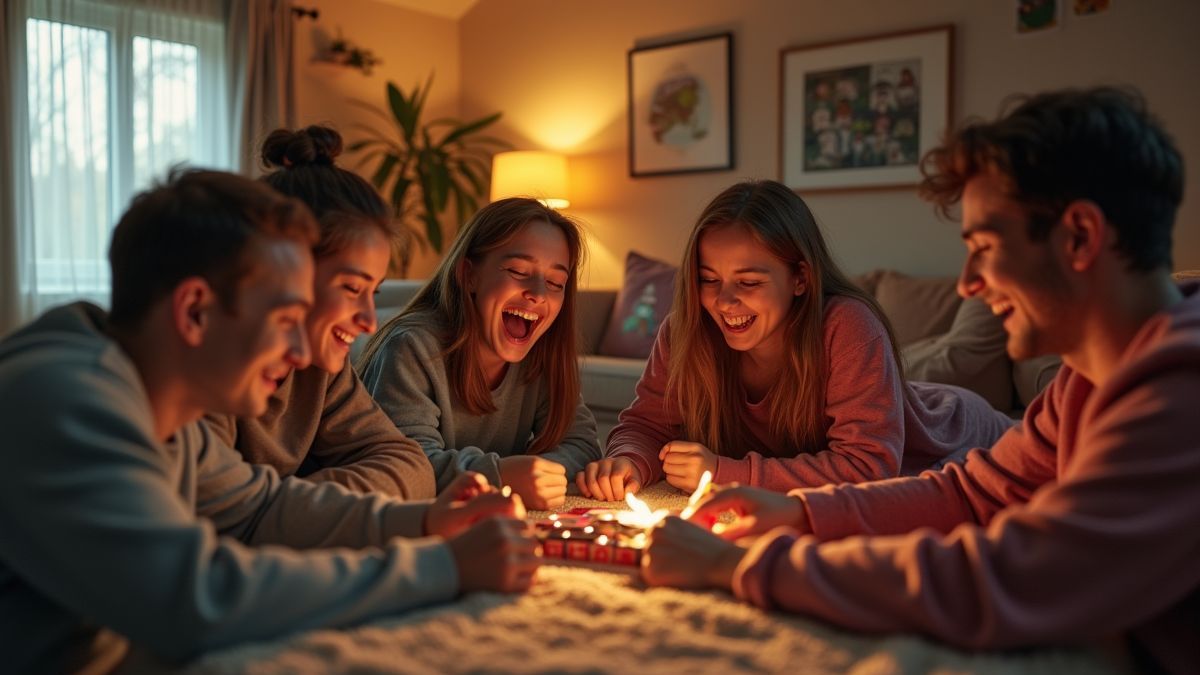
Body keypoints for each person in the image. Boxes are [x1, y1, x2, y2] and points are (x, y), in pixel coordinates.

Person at [641, 87, 1198, 673]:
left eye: (985, 247)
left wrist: (735, 567)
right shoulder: (1083, 382)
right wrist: (802, 514)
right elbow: (971, 494)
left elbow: (1009, 580)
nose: (967, 284)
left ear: (1080, 236)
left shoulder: (1179, 394)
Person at [0, 170, 539, 673]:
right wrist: (442, 568)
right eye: (284, 318)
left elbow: (259, 510)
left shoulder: (159, 404)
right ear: (195, 311)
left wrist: (424, 523)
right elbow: (196, 601)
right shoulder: (62, 399)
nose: (300, 349)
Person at [579, 180, 1013, 500]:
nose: (724, 300)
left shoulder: (847, 325)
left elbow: (868, 466)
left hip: (960, 437)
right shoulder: (685, 330)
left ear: (800, 278)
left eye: (749, 281)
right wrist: (629, 461)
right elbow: (646, 425)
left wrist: (725, 473)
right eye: (709, 279)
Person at [204, 126, 435, 498]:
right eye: (351, 288)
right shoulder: (208, 366)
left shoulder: (322, 368)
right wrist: (281, 508)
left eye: (373, 292)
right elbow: (224, 509)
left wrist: (285, 502)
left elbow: (411, 467)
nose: (369, 322)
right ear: (284, 270)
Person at [357, 198, 601, 510]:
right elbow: (405, 465)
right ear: (468, 274)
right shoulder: (411, 347)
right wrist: (499, 475)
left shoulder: (544, 356)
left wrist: (540, 474)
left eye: (555, 283)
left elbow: (582, 445)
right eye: (518, 271)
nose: (539, 294)